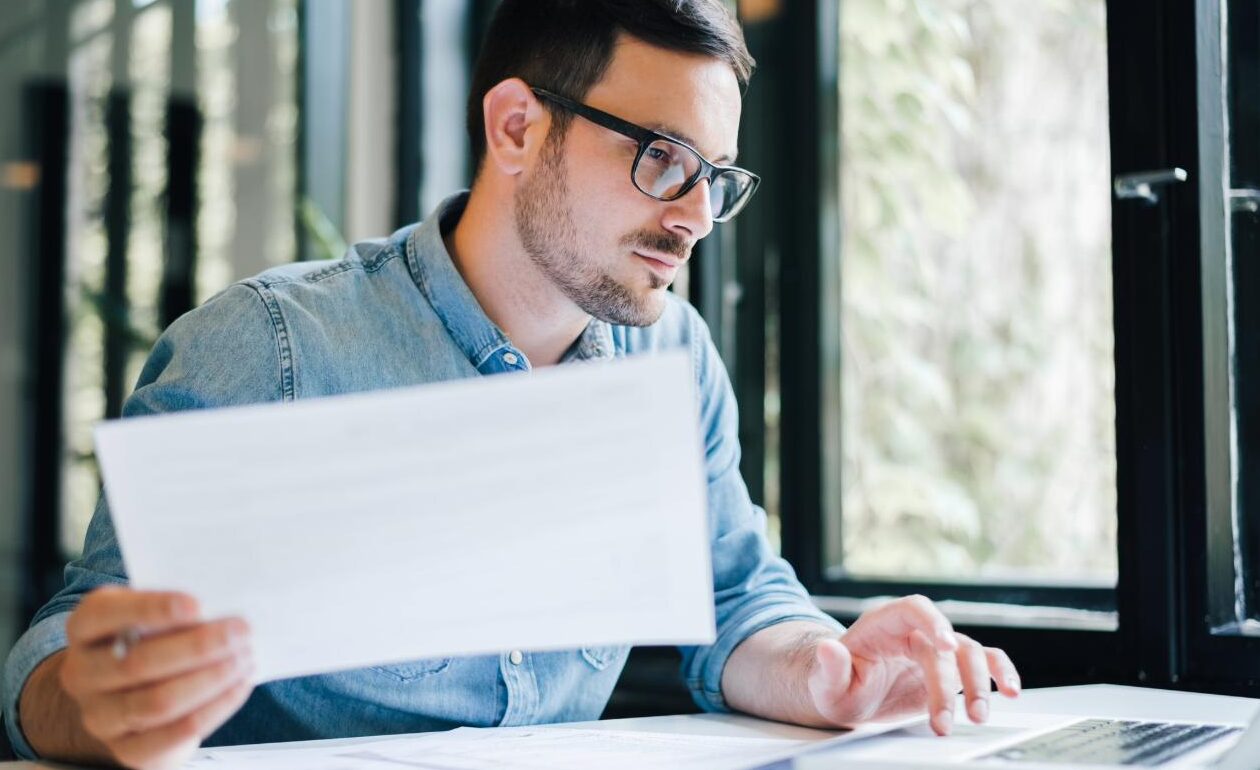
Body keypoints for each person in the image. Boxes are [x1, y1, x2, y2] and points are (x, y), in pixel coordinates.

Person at [1, 1, 1021, 768]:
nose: (698, 215)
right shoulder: (271, 347)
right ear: (518, 128)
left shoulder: (675, 360)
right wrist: (91, 698)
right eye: (666, 160)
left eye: (718, 175)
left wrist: (830, 669)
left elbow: (737, 593)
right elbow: (63, 651)